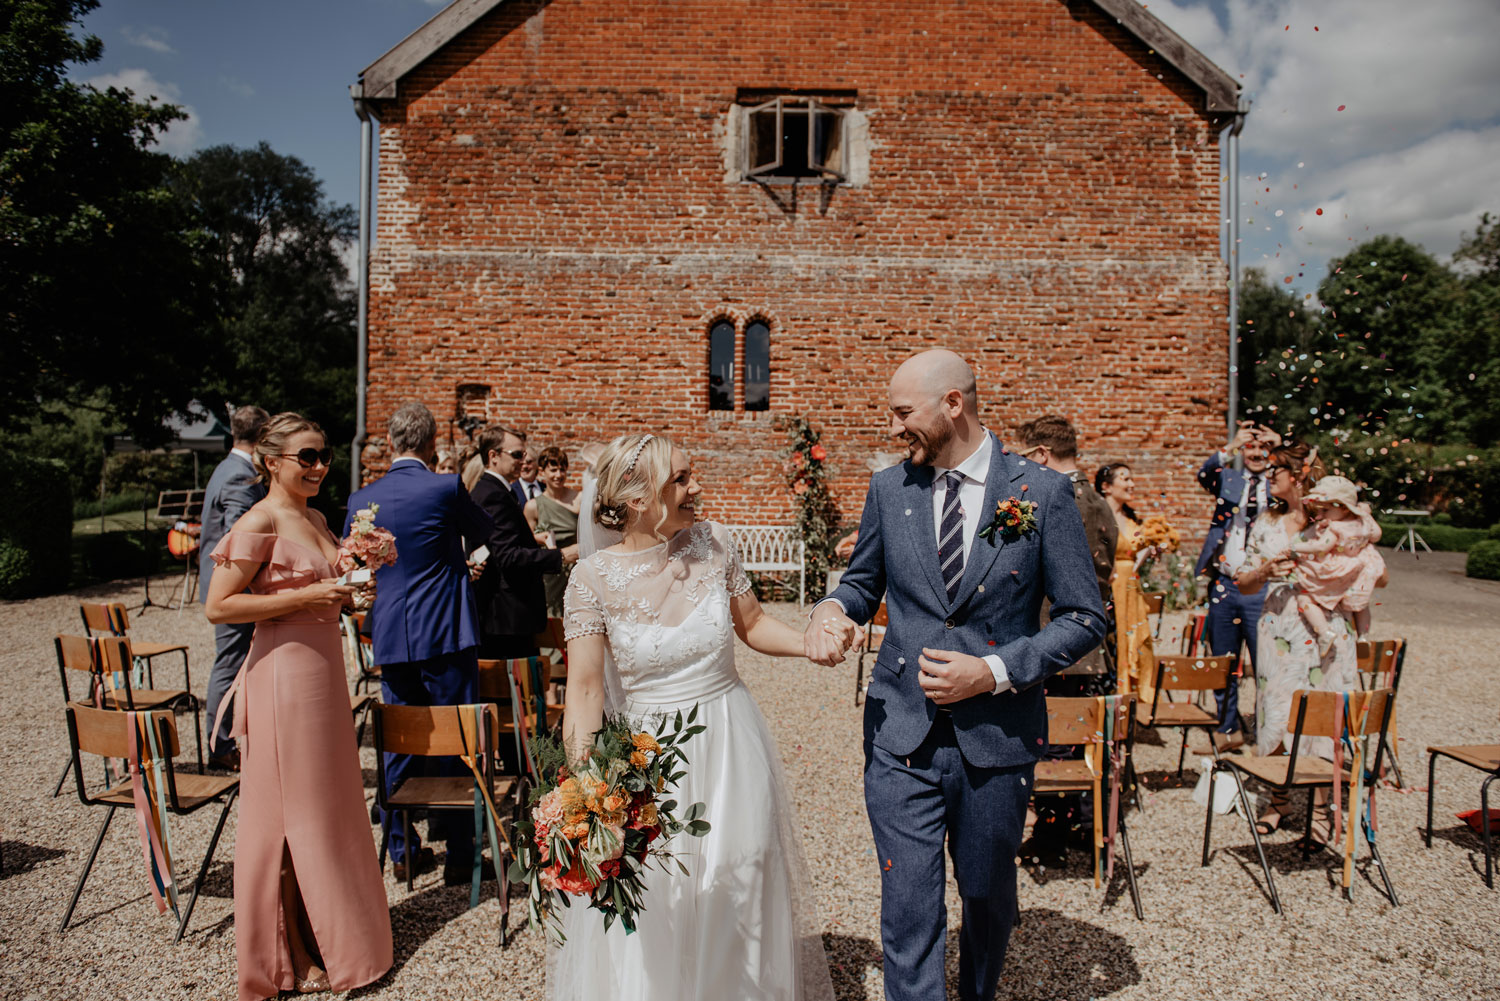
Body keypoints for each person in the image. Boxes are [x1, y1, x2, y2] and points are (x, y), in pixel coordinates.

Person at [807, 351, 1106, 1001]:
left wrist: (994, 669)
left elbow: (1086, 617)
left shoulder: (1041, 493)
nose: (891, 429)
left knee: (987, 897)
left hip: (996, 738)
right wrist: (829, 610)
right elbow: (861, 582)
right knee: (909, 907)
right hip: (899, 732)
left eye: (901, 412)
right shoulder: (890, 490)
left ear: (953, 404)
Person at [552, 433, 834, 1001]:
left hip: (731, 742)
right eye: (680, 478)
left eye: (691, 474)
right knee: (661, 892)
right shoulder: (591, 580)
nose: (696, 487)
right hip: (647, 761)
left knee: (742, 873)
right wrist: (584, 797)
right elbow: (583, 695)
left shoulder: (715, 544)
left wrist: (810, 642)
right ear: (635, 496)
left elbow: (752, 625)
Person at [204, 413, 391, 1000]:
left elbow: (328, 593)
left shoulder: (314, 517)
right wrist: (312, 593)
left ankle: (334, 934)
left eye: (324, 456)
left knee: (329, 810)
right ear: (271, 460)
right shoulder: (259, 520)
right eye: (306, 456)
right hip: (282, 678)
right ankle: (288, 955)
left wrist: (354, 591)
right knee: (289, 820)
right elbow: (219, 607)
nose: (318, 467)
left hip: (324, 675)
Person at [346, 402, 494, 885]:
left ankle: (401, 849)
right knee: (458, 740)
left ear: (390, 443)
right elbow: (484, 531)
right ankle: (459, 854)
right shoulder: (444, 486)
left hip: (391, 631)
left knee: (400, 742)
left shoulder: (361, 498)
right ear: (432, 444)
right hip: (447, 631)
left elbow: (361, 566)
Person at [1233, 440, 1381, 839]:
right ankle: (1279, 800)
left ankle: (1320, 808)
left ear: (1297, 475)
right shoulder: (1266, 523)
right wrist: (1266, 569)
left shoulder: (1336, 520)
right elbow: (1243, 583)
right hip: (1278, 625)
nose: (1268, 478)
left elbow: (1379, 573)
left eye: (1274, 472)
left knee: (1322, 714)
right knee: (1276, 708)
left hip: (1327, 626)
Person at [1014, 415, 1118, 867]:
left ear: (1040, 456)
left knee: (1052, 740)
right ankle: (1079, 825)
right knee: (1081, 738)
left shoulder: (1051, 497)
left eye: (1022, 458)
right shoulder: (1100, 501)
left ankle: (1050, 840)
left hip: (1054, 637)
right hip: (1094, 645)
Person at [1194, 421, 1280, 749]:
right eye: (1252, 448)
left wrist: (1281, 446)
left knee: (1266, 662)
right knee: (1223, 660)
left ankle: (1268, 731)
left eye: (1264, 449)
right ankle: (1228, 728)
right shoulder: (1231, 480)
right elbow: (1204, 474)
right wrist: (1231, 446)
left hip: (1263, 587)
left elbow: (1304, 480)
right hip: (1226, 584)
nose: (1257, 454)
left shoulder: (1278, 482)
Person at [198, 404, 269, 771]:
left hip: (226, 586)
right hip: (233, 590)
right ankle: (220, 746)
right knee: (229, 664)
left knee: (232, 661)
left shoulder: (227, 467)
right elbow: (238, 539)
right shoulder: (240, 477)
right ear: (262, 436)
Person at [470, 425, 577, 658]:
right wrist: (562, 555)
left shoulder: (495, 490)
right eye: (517, 455)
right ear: (493, 456)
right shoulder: (493, 494)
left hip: (507, 617)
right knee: (513, 690)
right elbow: (507, 556)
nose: (524, 460)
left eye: (524, 455)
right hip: (505, 618)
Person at [1289, 475, 1386, 654]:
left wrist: (1295, 548)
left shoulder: (1335, 527)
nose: (1321, 515)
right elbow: (1376, 535)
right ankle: (1364, 636)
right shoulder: (1361, 522)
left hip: (1339, 568)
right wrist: (1367, 516)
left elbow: (1321, 546)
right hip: (1363, 566)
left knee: (1306, 598)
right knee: (1361, 605)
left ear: (1342, 507)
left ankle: (1324, 631)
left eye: (1325, 510)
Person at [1095, 463, 1158, 708]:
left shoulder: (1132, 519)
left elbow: (1134, 555)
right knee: (1114, 640)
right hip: (1110, 586)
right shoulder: (1099, 515)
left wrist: (1152, 548)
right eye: (1126, 479)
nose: (1132, 484)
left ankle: (1130, 701)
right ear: (1106, 487)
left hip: (1131, 588)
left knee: (1135, 640)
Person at [524, 445, 582, 616]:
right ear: (542, 472)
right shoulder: (533, 506)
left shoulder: (579, 499)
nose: (558, 475)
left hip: (576, 568)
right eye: (553, 470)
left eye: (562, 470)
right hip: (549, 572)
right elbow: (526, 543)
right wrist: (541, 539)